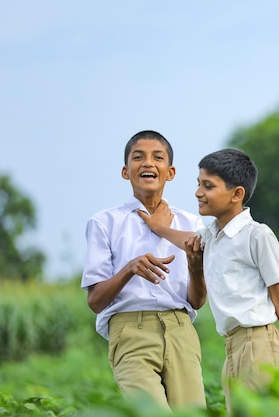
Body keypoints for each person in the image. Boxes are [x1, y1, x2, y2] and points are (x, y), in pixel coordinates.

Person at [139, 148, 279, 410]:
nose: (198, 192)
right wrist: (158, 227)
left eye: (208, 186)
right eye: (198, 184)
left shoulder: (257, 236)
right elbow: (187, 240)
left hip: (259, 344)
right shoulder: (211, 237)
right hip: (233, 348)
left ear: (236, 194)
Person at [80, 130, 208, 411]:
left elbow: (197, 301)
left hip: (180, 329)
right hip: (129, 330)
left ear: (170, 172)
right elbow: (95, 301)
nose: (148, 163)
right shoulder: (105, 223)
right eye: (138, 157)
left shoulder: (192, 224)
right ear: (126, 172)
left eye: (157, 158)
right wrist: (129, 268)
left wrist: (196, 269)